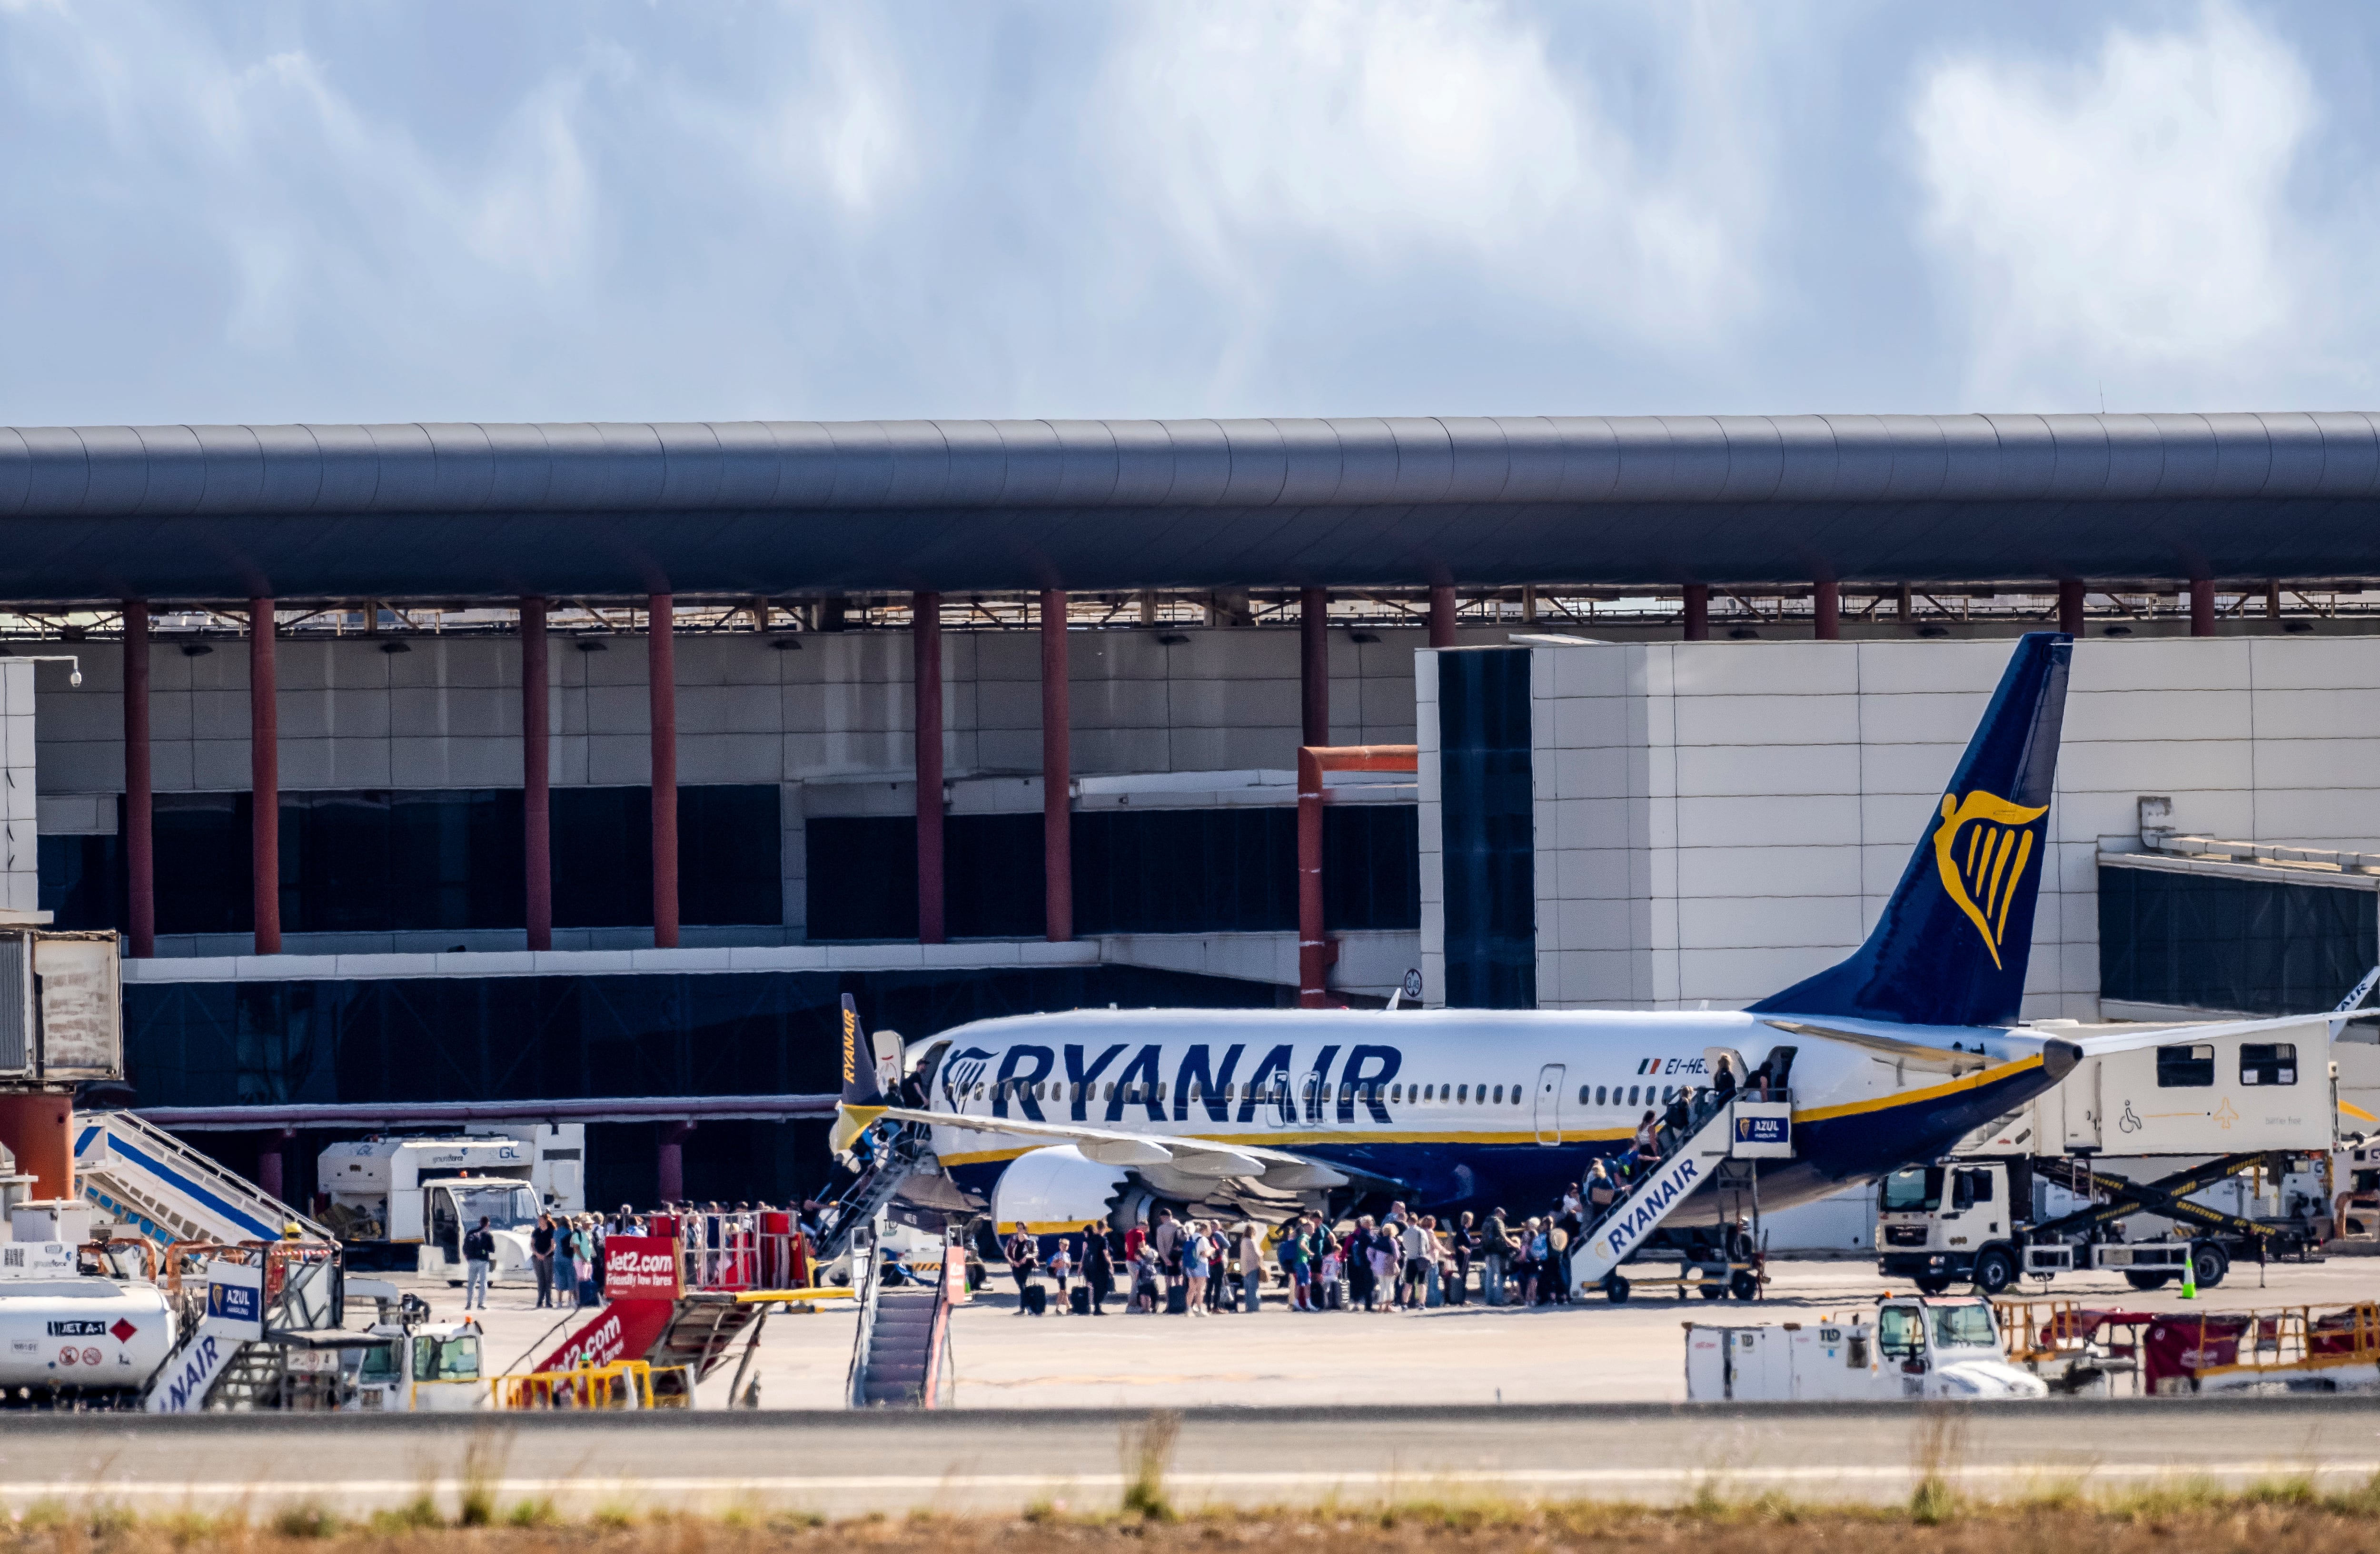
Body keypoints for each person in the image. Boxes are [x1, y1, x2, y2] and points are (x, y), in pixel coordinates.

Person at [1278, 1216, 1310, 1310]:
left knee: (1297, 1284)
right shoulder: (1301, 1235)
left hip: (1292, 1263)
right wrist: (1309, 1252)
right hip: (1299, 1261)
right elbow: (1301, 1246)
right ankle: (1303, 1303)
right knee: (1303, 1284)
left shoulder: (1292, 1235)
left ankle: (1296, 1303)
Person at [1479, 1208, 1511, 1306]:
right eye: (1503, 1215)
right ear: (1498, 1213)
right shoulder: (1498, 1222)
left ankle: (1489, 1301)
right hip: (1497, 1253)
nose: (1504, 1217)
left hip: (1487, 1252)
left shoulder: (1487, 1221)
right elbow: (1503, 1236)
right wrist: (1513, 1244)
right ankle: (1499, 1300)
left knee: (1489, 1277)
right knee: (1500, 1276)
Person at [463, 1216, 495, 1311]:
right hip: (483, 1261)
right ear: (487, 1224)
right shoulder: (488, 1235)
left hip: (472, 1260)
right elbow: (492, 1249)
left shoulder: (471, 1233)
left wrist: (468, 1256)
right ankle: (481, 1304)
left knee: (471, 1283)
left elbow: (465, 1248)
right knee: (483, 1282)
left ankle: (469, 1304)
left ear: (479, 1223)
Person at [1082, 1223, 1114, 1315]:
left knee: (1096, 1287)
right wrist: (1111, 1264)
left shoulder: (1092, 1239)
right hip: (1101, 1267)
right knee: (1105, 1286)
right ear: (1104, 1228)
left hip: (1091, 1266)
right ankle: (1097, 1306)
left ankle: (1097, 1308)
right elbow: (1105, 1253)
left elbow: (1086, 1253)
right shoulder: (1103, 1240)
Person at [1005, 1227, 1038, 1314]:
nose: (1020, 1231)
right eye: (1018, 1229)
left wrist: (1027, 1257)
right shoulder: (1013, 1241)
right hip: (1016, 1267)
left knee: (1023, 1287)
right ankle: (1026, 1307)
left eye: (1022, 1229)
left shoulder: (1030, 1241)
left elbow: (1035, 1252)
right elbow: (1007, 1253)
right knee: (1022, 1286)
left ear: (1025, 1230)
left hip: (1026, 1266)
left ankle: (1023, 1309)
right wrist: (1013, 1262)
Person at [1180, 1219, 1210, 1316]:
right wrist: (1212, 1250)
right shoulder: (1203, 1239)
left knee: (1191, 1289)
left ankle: (1189, 1309)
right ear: (1205, 1229)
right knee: (1201, 1289)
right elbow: (1204, 1254)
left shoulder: (1191, 1238)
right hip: (1200, 1265)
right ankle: (1200, 1309)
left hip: (1190, 1266)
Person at [530, 1213, 556, 1310]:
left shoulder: (551, 1231)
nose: (539, 1222)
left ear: (546, 1220)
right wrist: (537, 1254)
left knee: (548, 1280)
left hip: (548, 1257)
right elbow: (532, 1244)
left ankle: (549, 1301)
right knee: (540, 1279)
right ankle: (540, 1300)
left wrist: (545, 1255)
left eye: (541, 1220)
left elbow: (553, 1246)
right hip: (537, 1257)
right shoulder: (536, 1231)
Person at [1238, 1224, 1266, 1313]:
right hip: (1253, 1267)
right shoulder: (1251, 1242)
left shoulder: (1243, 1241)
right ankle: (1255, 1307)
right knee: (1254, 1288)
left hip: (1244, 1268)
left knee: (1247, 1289)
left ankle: (1249, 1306)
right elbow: (1258, 1254)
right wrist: (1262, 1253)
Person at [1450, 1211, 1476, 1305]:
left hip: (1467, 1256)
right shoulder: (1461, 1231)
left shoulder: (1466, 1231)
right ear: (1468, 1220)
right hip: (1462, 1257)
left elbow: (1466, 1241)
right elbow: (1457, 1243)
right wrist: (1463, 1248)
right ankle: (1461, 1299)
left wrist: (1474, 1241)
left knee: (1464, 1277)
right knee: (1463, 1276)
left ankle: (1462, 1298)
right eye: (1471, 1220)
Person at [1047, 1233, 1073, 1311]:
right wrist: (1060, 1263)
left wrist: (1068, 1264)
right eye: (1063, 1246)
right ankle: (1068, 1307)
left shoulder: (1068, 1255)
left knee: (1062, 1292)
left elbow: (1069, 1265)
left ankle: (1057, 1308)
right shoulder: (1058, 1255)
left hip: (1065, 1274)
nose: (1064, 1248)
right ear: (1060, 1246)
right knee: (1064, 1291)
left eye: (1066, 1246)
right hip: (1060, 1274)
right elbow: (1052, 1264)